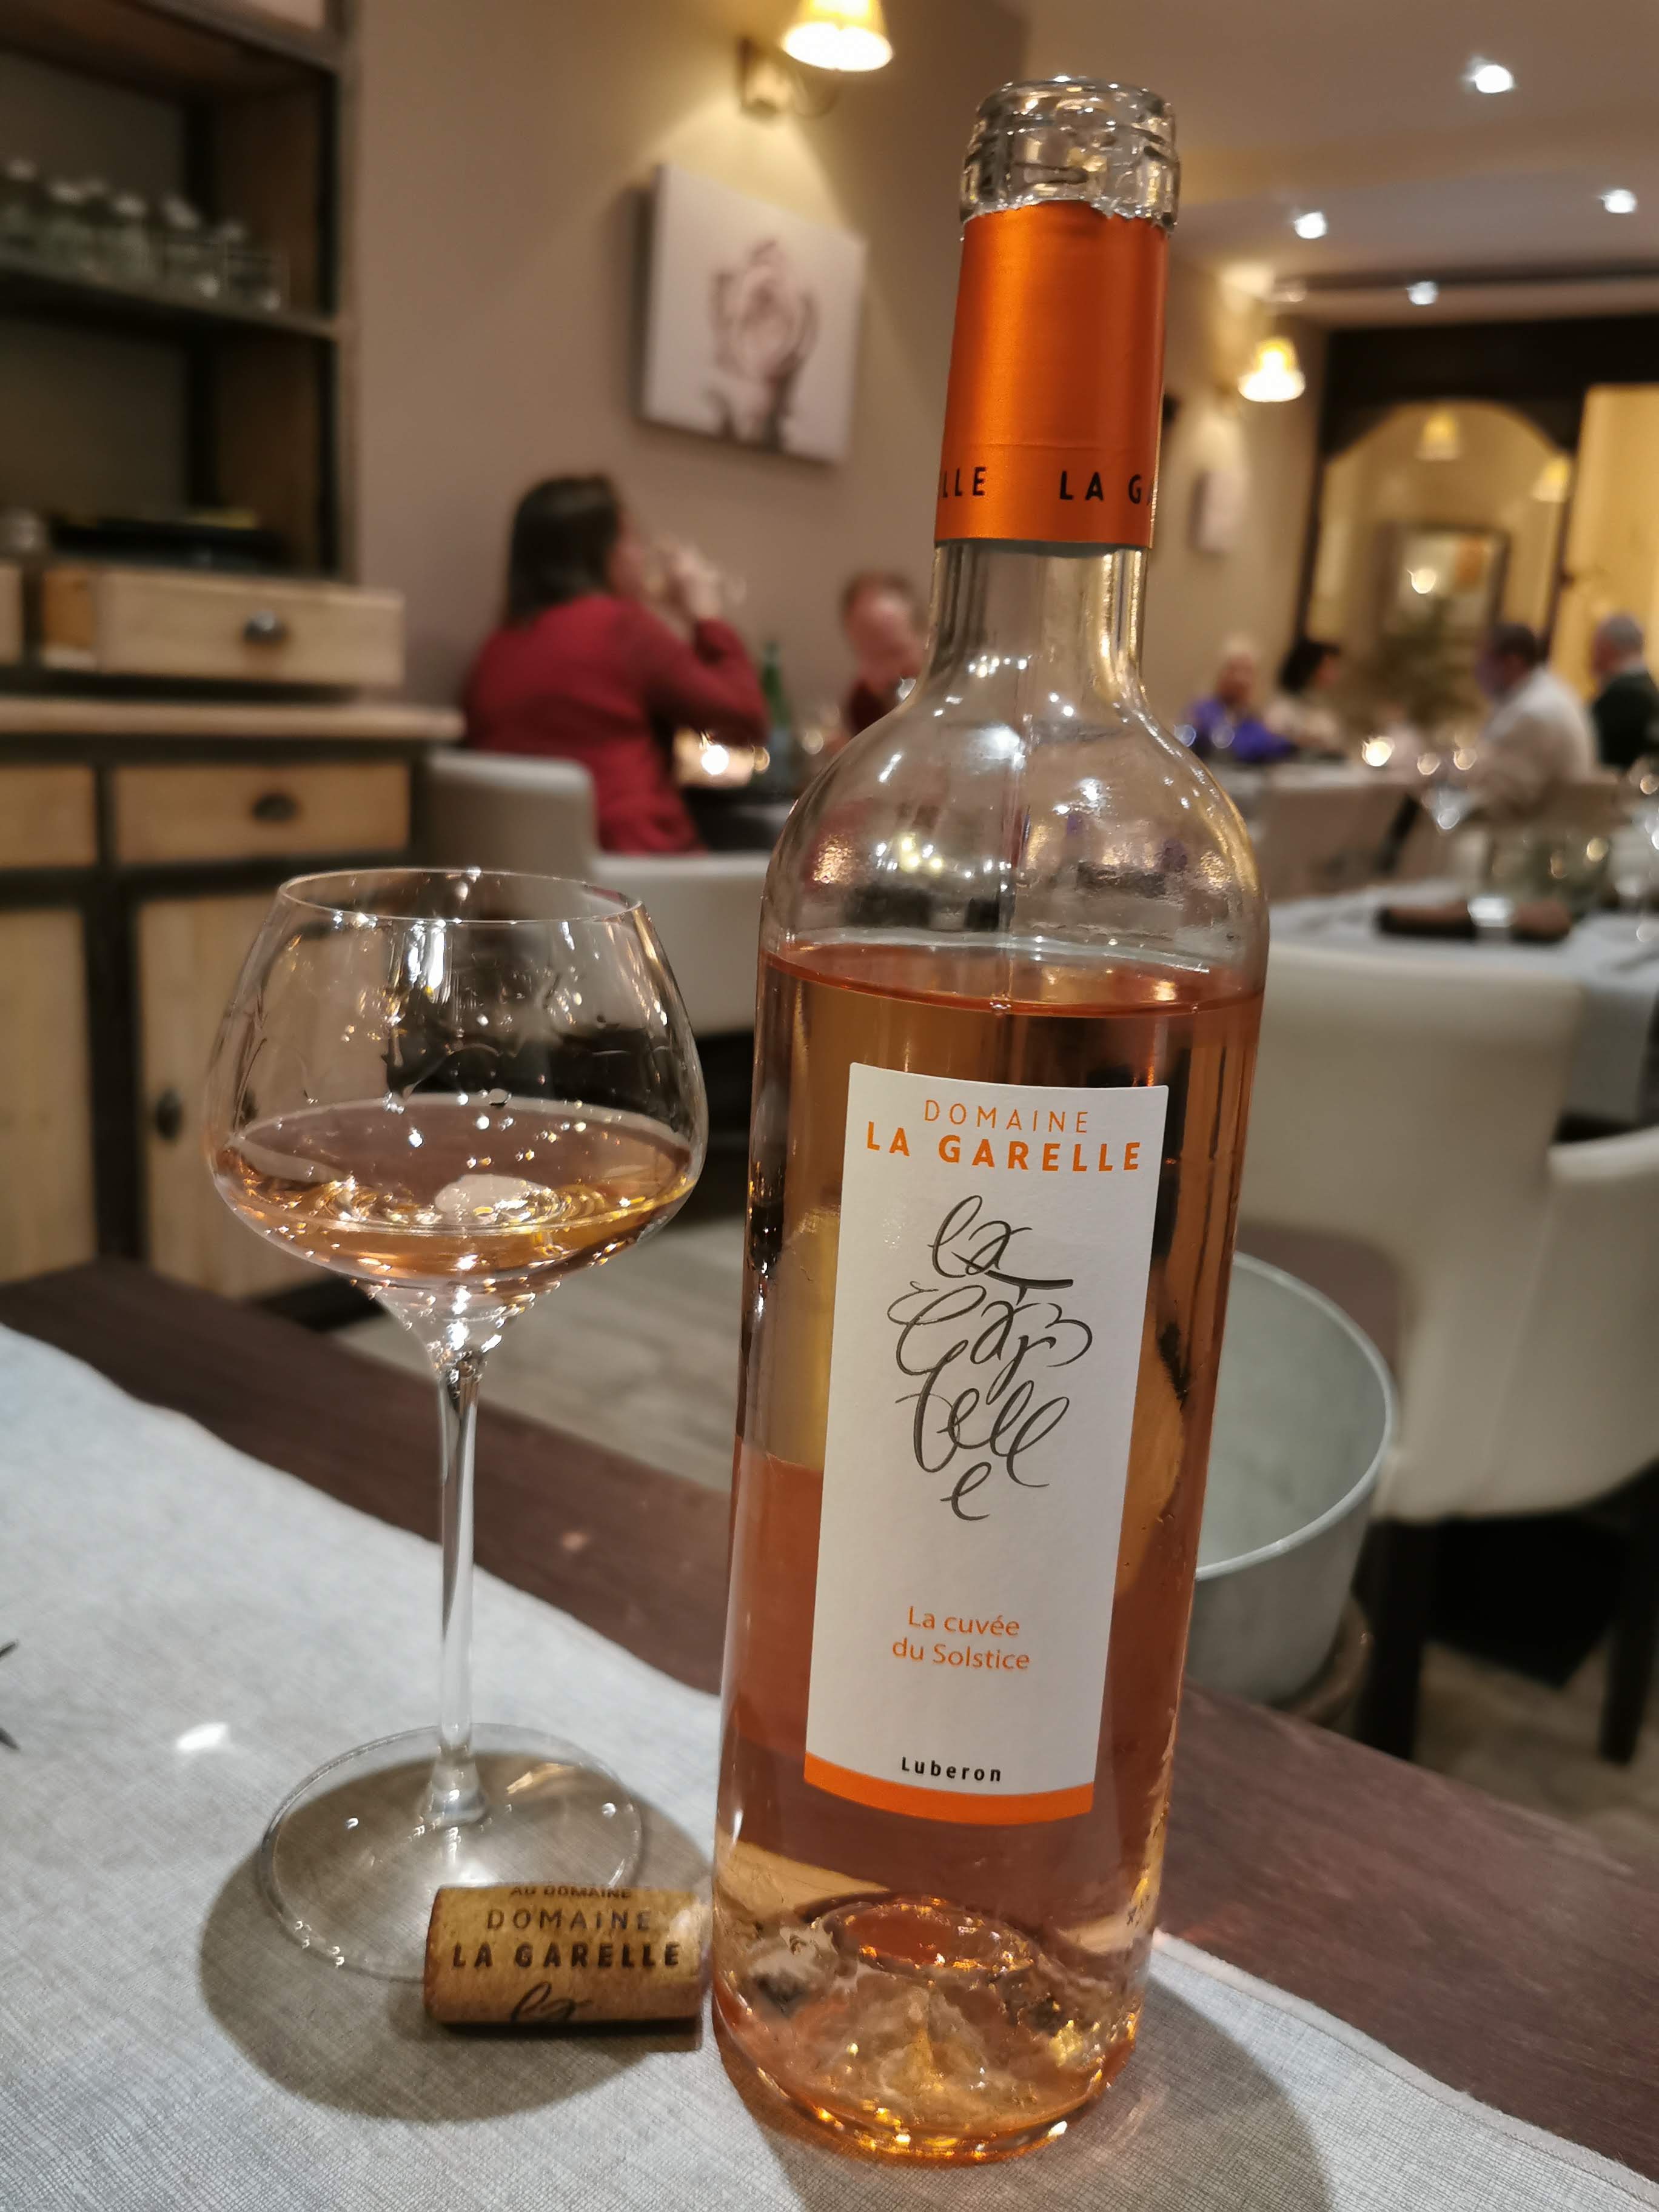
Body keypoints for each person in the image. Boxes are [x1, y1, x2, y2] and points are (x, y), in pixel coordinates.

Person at [464, 476, 767, 853]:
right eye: (632, 539)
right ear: (602, 552)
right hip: (640, 870)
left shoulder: (494, 650)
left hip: (529, 874)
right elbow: (745, 719)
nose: (641, 556)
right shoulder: (621, 627)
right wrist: (706, 616)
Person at [1466, 621, 1595, 823]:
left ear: (1512, 663)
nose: (1476, 669)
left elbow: (1503, 797)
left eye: (1484, 659)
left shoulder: (1533, 713)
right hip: (1547, 823)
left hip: (1538, 832)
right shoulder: (1545, 692)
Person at [1182, 640, 1297, 764]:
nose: (1240, 679)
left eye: (1247, 672)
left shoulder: (1252, 719)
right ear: (1220, 673)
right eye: (1234, 670)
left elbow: (1268, 747)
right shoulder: (1202, 711)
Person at [841, 571, 925, 737]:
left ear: (926, 636)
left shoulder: (959, 696)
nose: (888, 674)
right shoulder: (862, 707)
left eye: (896, 652)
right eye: (871, 657)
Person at [1588, 612, 1659, 773]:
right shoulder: (1647, 688)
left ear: (1606, 648)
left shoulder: (1623, 696)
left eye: (1594, 647)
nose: (1590, 656)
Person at [1262, 638, 1346, 756]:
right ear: (1309, 668)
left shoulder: (1322, 706)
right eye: (1328, 666)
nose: (1334, 674)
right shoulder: (1282, 708)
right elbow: (1272, 743)